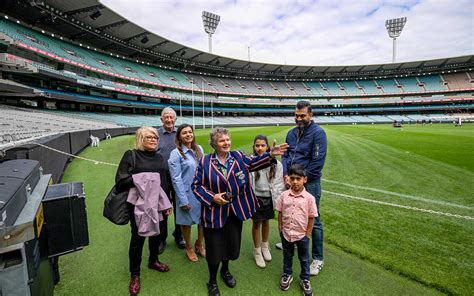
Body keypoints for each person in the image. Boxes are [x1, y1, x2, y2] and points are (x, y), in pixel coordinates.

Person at [193, 127, 288, 296]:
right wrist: (213, 197)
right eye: (222, 140)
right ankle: (212, 281)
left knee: (230, 245)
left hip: (234, 212)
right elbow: (196, 186)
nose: (226, 143)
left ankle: (225, 271)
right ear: (214, 143)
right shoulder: (204, 162)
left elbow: (253, 164)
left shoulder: (238, 156)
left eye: (227, 139)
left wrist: (270, 155)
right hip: (213, 214)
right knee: (214, 248)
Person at [115, 126, 172, 296]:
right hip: (138, 206)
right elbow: (120, 182)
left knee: (157, 235)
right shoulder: (131, 155)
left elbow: (163, 182)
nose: (154, 140)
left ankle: (153, 260)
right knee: (138, 238)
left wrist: (167, 204)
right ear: (141, 139)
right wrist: (145, 179)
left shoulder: (160, 157)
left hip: (158, 204)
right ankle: (135, 274)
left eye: (155, 137)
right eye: (149, 137)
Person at [281, 100, 327, 276]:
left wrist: (300, 180)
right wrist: (286, 175)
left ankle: (317, 258)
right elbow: (285, 156)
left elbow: (317, 163)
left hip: (310, 183)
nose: (299, 118)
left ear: (310, 115)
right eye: (297, 115)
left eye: (302, 115)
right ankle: (291, 238)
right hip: (291, 181)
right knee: (290, 212)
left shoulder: (318, 134)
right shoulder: (291, 133)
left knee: (313, 220)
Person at [276, 164, 318, 296]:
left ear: (304, 179)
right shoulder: (284, 196)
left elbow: (311, 217)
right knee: (287, 255)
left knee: (304, 259)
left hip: (302, 236)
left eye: (298, 178)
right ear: (288, 179)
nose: (294, 182)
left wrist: (308, 235)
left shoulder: (310, 199)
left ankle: (305, 279)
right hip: (286, 234)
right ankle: (287, 274)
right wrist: (281, 229)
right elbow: (281, 213)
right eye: (292, 178)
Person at [168, 124, 206, 262]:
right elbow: (175, 178)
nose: (188, 134)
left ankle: (199, 244)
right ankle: (189, 247)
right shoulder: (175, 153)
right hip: (186, 193)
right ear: (179, 136)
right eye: (184, 133)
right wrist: (183, 199)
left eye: (190, 132)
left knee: (203, 220)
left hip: (201, 192)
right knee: (187, 223)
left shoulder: (199, 149)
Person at [250, 135, 285, 268]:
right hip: (256, 198)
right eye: (257, 145)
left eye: (263, 145)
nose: (260, 148)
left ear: (268, 147)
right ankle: (257, 250)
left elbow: (279, 183)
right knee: (256, 224)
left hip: (269, 198)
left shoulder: (276, 164)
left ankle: (265, 245)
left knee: (266, 222)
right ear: (253, 147)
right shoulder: (251, 161)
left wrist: (278, 200)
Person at [157, 107, 185, 252]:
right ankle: (162, 239)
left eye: (171, 117)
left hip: (178, 177)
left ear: (175, 119)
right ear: (161, 119)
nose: (168, 120)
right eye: (166, 117)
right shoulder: (156, 134)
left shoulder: (180, 134)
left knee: (179, 206)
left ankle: (179, 235)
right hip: (161, 178)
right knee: (162, 208)